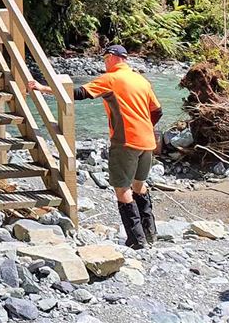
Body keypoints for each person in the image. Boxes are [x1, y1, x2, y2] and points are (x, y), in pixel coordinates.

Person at [28, 45, 162, 249]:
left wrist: (43, 88)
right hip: (147, 142)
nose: (104, 63)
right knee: (139, 185)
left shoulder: (111, 79)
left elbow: (79, 93)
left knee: (122, 188)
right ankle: (150, 235)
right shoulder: (141, 80)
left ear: (110, 58)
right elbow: (158, 111)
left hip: (125, 142)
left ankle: (137, 241)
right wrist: (144, 127)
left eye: (104, 59)